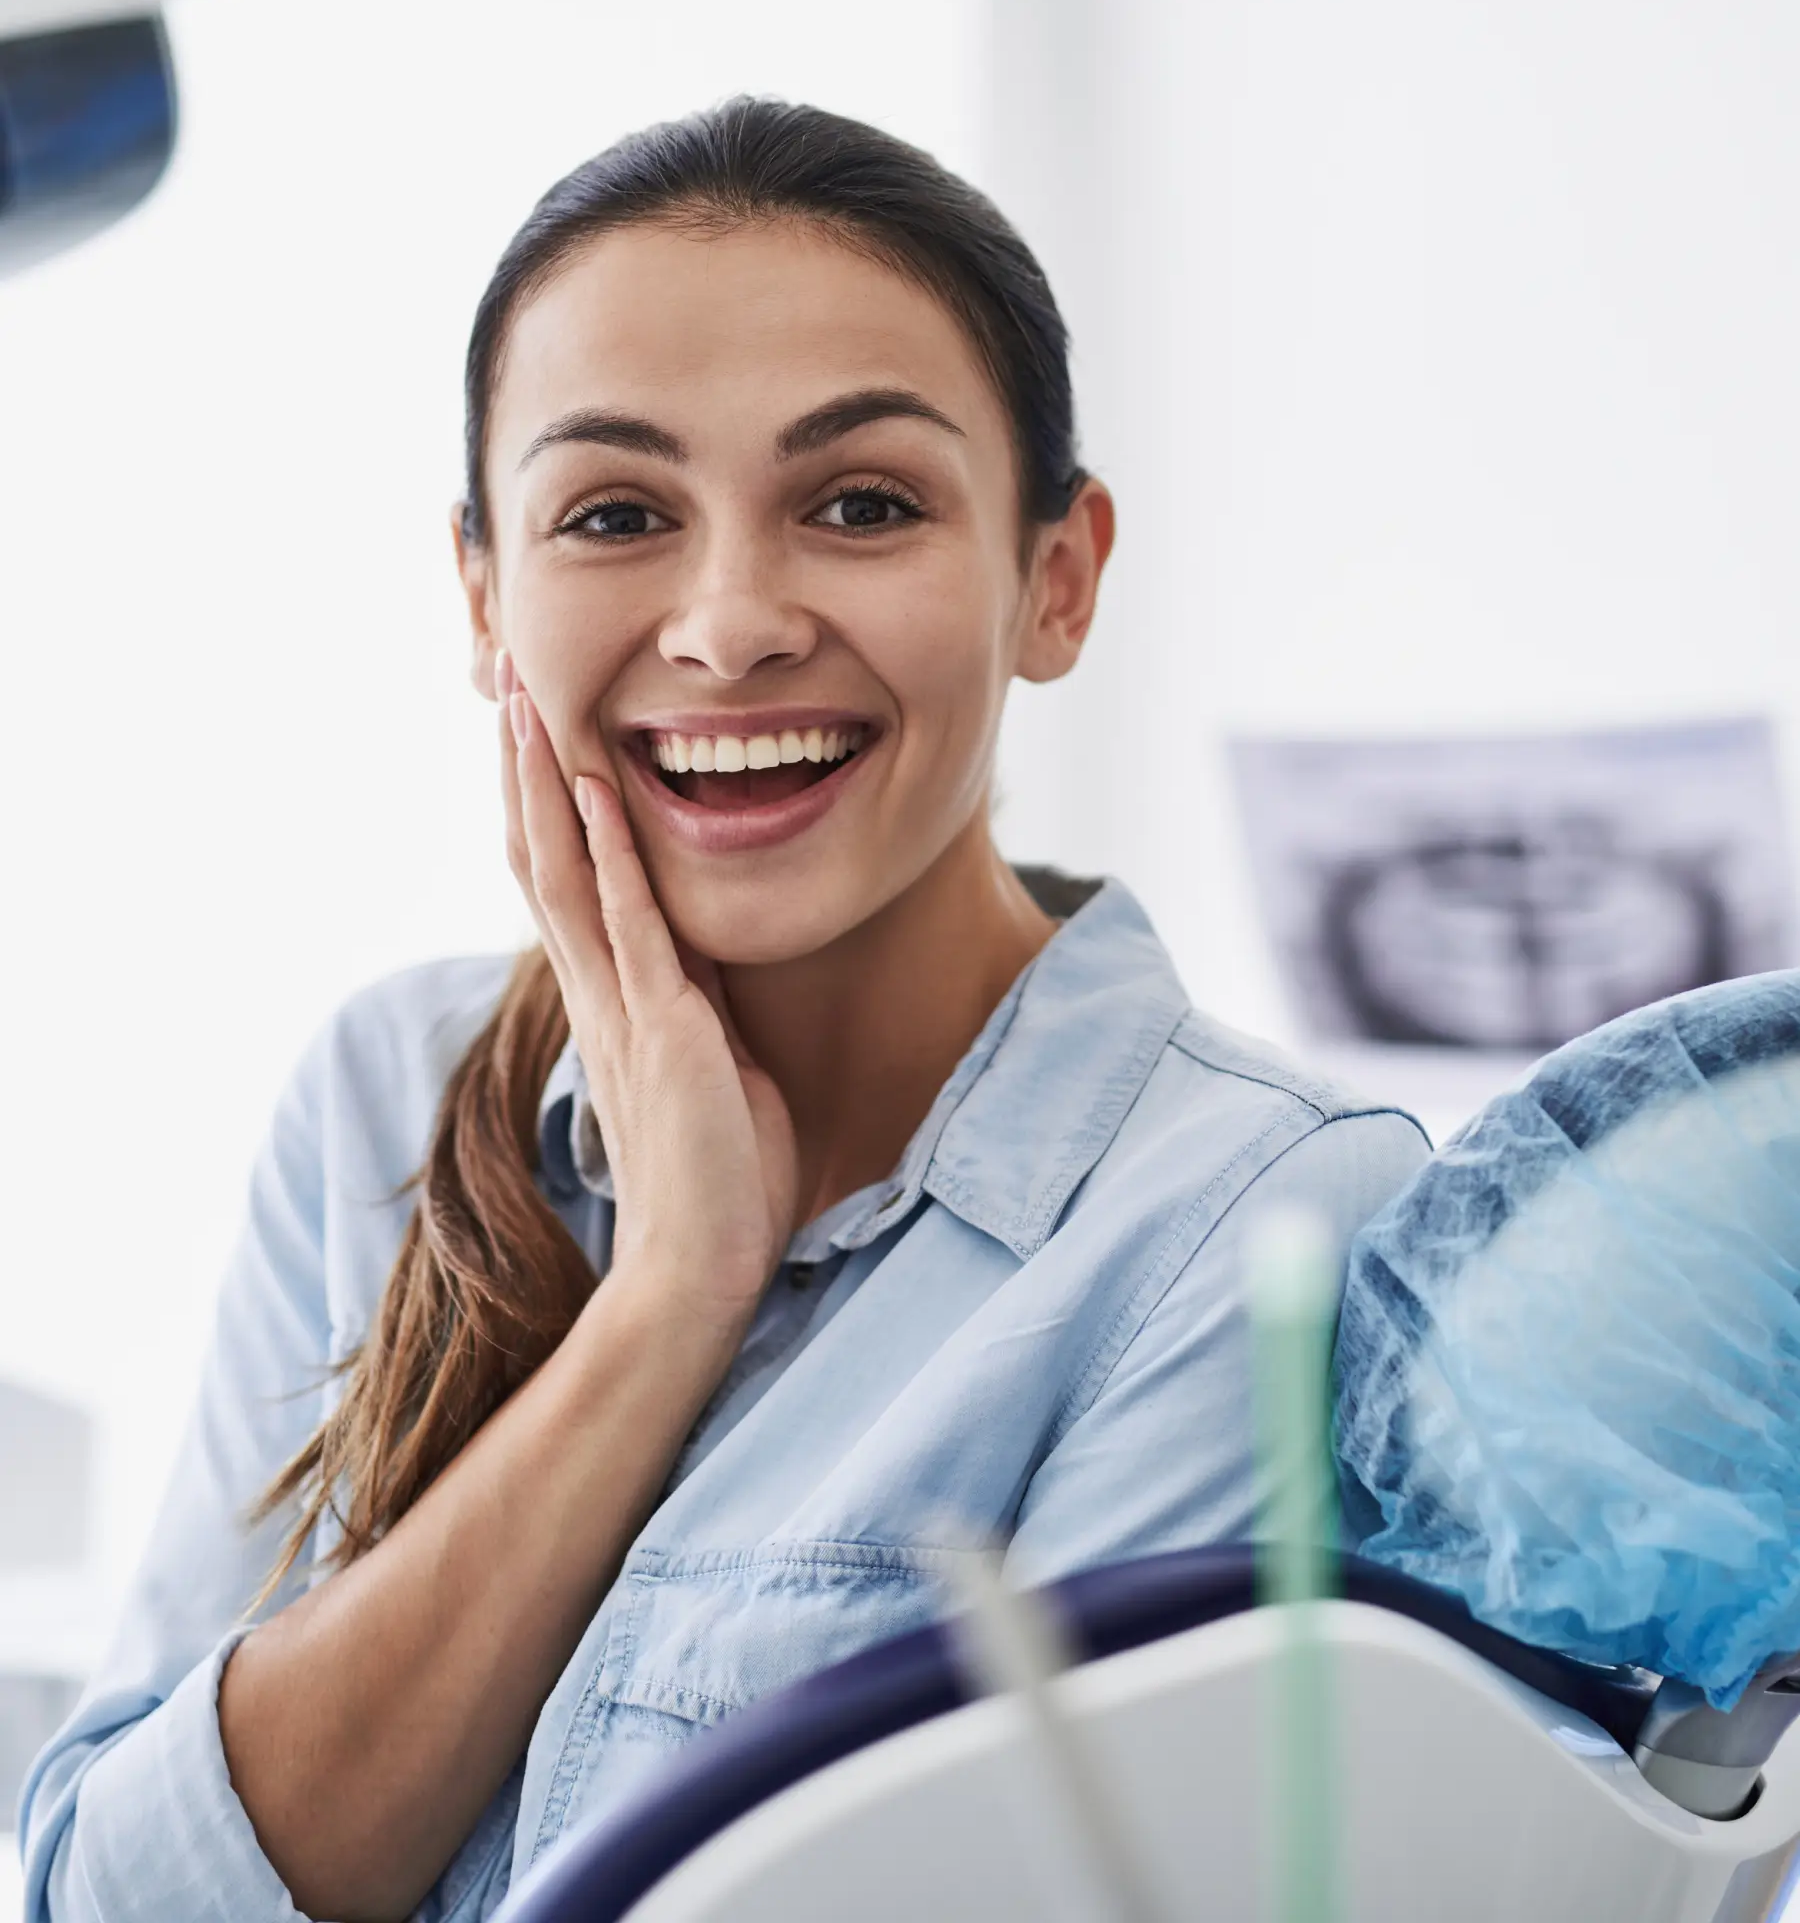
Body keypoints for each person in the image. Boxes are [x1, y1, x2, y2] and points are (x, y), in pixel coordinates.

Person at [18, 98, 1428, 1923]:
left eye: (861, 504)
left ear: (1055, 579)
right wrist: (670, 1296)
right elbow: (119, 1902)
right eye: (614, 513)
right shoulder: (391, 1089)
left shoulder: (1266, 1233)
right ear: (483, 597)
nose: (731, 621)